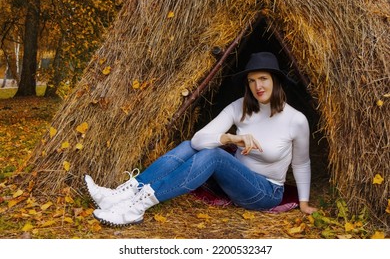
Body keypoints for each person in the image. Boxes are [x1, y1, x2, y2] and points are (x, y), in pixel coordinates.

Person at [84, 52, 318, 226]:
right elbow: (198, 140)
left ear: (276, 81)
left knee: (215, 155)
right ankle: (125, 192)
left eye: (264, 78)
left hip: (265, 192)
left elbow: (301, 163)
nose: (258, 86)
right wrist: (230, 138)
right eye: (252, 80)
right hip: (235, 178)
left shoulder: (295, 120)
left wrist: (304, 202)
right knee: (190, 146)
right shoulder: (241, 107)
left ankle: (138, 206)